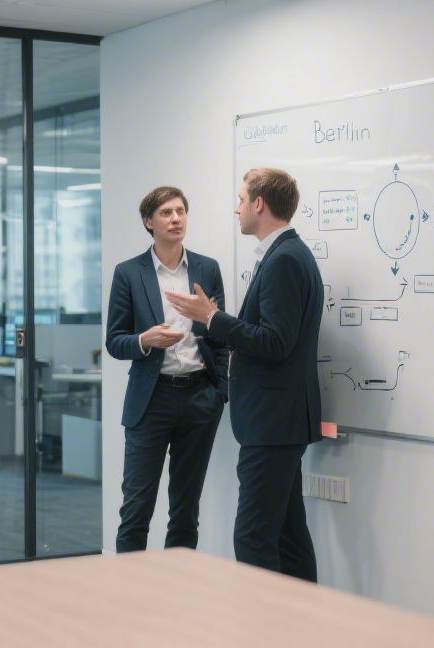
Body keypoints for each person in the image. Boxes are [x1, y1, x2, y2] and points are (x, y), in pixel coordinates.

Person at [165, 168, 323, 582]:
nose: (236, 208)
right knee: (289, 537)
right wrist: (213, 319)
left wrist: (213, 318)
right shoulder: (286, 254)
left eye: (240, 199)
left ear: (259, 204)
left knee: (252, 539)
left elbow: (274, 342)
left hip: (272, 422)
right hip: (281, 420)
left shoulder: (285, 259)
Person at [106, 186, 230, 553]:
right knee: (136, 509)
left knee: (185, 509)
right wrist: (144, 340)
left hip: (200, 399)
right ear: (149, 222)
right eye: (166, 213)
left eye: (180, 211)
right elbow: (115, 341)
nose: (176, 219)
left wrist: (219, 391)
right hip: (151, 399)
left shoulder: (207, 268)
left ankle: (177, 597)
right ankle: (128, 599)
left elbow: (220, 334)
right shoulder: (129, 273)